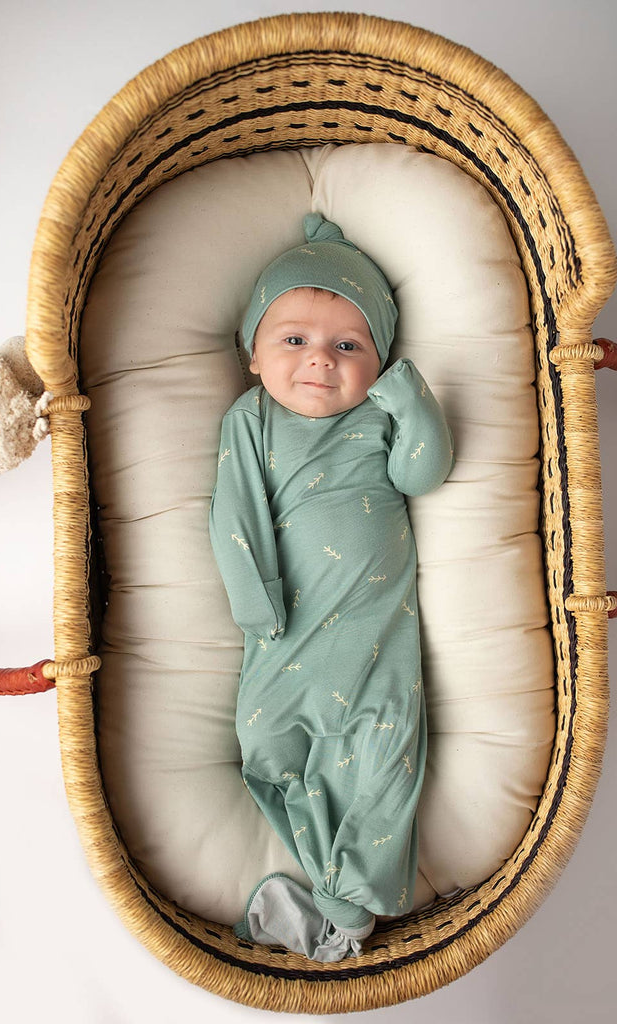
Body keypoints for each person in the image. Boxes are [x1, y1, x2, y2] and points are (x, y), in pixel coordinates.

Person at [209, 213, 454, 961]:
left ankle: (347, 903)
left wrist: (413, 408)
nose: (320, 360)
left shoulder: (377, 418)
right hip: (284, 632)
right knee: (264, 744)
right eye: (294, 341)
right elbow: (233, 514)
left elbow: (423, 473)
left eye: (347, 346)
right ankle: (324, 873)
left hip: (375, 646)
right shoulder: (249, 421)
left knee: (384, 763)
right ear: (252, 355)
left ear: (378, 362)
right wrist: (257, 602)